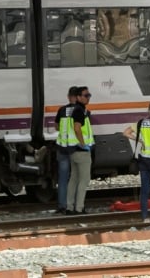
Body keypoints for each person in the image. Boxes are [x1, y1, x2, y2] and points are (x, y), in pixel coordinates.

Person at [65, 86, 94, 214]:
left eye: (89, 95)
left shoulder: (77, 110)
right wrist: (83, 144)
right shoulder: (79, 111)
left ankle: (69, 207)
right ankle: (79, 208)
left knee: (74, 179)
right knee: (84, 180)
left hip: (73, 151)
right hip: (81, 152)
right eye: (85, 95)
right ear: (78, 97)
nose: (88, 98)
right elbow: (77, 128)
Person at [53, 84, 80, 214]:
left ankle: (62, 206)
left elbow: (56, 127)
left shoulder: (62, 110)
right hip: (76, 149)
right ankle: (73, 205)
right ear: (78, 97)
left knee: (63, 179)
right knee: (75, 178)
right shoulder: (81, 111)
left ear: (69, 97)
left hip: (62, 148)